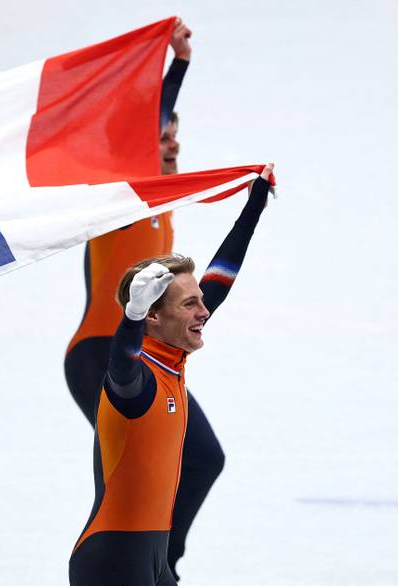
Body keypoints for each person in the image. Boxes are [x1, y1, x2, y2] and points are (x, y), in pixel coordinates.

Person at [63, 18, 225, 579]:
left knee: (194, 459)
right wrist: (175, 67)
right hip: (103, 352)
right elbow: (144, 128)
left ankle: (158, 568)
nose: (173, 142)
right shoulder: (120, 202)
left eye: (176, 135)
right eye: (162, 137)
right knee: (149, 468)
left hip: (144, 352)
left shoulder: (161, 206)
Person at [69, 164, 275, 586]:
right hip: (113, 564)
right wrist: (130, 318)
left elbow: (221, 277)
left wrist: (253, 206)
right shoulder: (138, 382)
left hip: (152, 562)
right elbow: (120, 363)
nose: (204, 312)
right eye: (190, 305)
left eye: (201, 302)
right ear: (153, 317)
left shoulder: (171, 360)